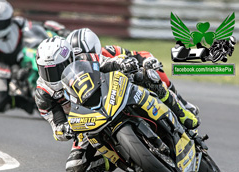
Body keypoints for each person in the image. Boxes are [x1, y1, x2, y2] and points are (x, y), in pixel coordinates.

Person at [35, 36, 143, 172]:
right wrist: (64, 130)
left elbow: (107, 62)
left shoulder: (83, 58)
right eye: (46, 70)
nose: (51, 76)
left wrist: (122, 63)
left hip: (109, 96)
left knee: (145, 77)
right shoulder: (43, 93)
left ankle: (177, 110)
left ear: (69, 59)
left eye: (56, 69)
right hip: (85, 123)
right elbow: (56, 126)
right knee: (75, 169)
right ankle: (111, 158)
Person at [66, 28, 200, 129]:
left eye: (88, 55)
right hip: (100, 105)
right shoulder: (72, 74)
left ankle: (182, 106)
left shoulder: (111, 51)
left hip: (129, 86)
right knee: (76, 164)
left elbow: (141, 55)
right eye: (78, 59)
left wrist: (149, 61)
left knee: (152, 74)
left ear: (96, 49)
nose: (85, 60)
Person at [0, 0, 69, 114]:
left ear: (10, 18)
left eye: (3, 22)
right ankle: (22, 102)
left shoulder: (18, 22)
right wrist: (13, 73)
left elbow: (40, 26)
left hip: (20, 58)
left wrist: (58, 30)